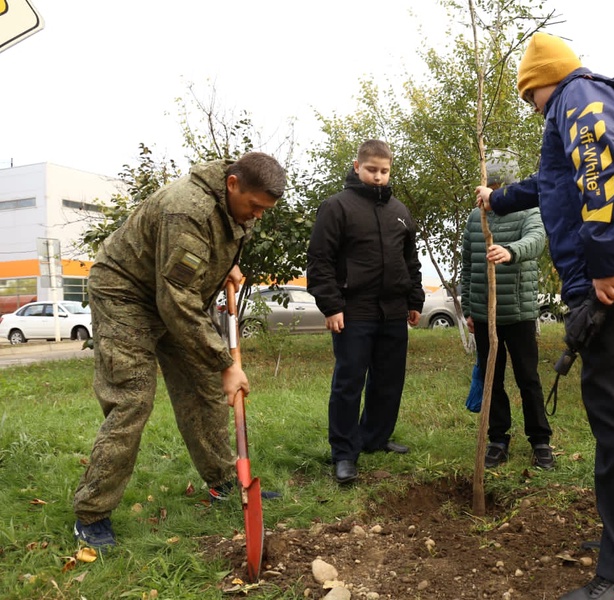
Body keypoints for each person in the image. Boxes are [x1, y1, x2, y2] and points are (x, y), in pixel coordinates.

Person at [475, 33, 614, 600]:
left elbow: (598, 164)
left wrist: (606, 262)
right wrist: (501, 198)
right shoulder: (581, 100)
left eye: (527, 95)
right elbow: (558, 183)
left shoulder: (576, 96)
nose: (530, 107)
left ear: (540, 81)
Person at [73, 152, 287, 552]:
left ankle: (224, 482)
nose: (257, 216)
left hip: (169, 294)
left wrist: (226, 266)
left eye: (265, 210)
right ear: (232, 183)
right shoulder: (185, 210)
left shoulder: (235, 208)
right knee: (133, 399)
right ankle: (91, 514)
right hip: (126, 294)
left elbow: (196, 263)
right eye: (255, 206)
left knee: (203, 389)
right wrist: (224, 363)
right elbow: (176, 299)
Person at [307, 139, 425, 485]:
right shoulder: (336, 207)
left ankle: (375, 437)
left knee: (388, 380)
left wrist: (414, 300)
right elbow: (320, 260)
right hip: (353, 310)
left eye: (384, 171)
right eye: (372, 170)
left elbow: (410, 261)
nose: (378, 177)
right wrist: (331, 306)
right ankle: (344, 453)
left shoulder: (400, 212)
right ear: (357, 167)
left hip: (393, 310)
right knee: (349, 383)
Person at [462, 163, 554, 470]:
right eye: (492, 188)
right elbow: (467, 266)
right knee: (493, 379)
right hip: (485, 316)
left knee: (528, 378)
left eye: (501, 189)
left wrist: (510, 251)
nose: (495, 194)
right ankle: (497, 440)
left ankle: (540, 441)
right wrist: (468, 310)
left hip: (519, 313)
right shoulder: (476, 218)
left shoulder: (530, 211)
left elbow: (536, 242)